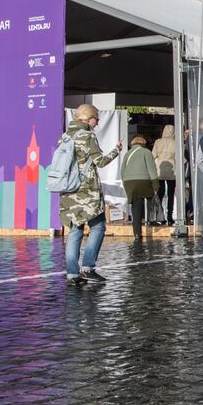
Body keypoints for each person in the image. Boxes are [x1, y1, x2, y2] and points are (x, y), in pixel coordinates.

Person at [61, 104, 123, 284]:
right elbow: (100, 162)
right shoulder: (88, 136)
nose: (98, 122)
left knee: (75, 229)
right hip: (87, 191)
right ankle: (88, 268)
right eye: (96, 117)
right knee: (98, 226)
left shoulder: (65, 137)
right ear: (88, 118)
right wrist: (116, 150)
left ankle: (72, 274)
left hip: (68, 190)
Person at [121, 135, 159, 240]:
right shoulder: (146, 152)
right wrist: (156, 183)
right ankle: (151, 222)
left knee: (135, 207)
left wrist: (126, 184)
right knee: (151, 199)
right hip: (143, 181)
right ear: (143, 144)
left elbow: (122, 171)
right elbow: (151, 169)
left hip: (129, 182)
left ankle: (137, 233)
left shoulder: (127, 154)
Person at [152, 125, 177, 226]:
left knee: (160, 194)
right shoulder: (175, 142)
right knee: (171, 194)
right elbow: (179, 156)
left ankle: (160, 216)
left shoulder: (158, 142)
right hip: (172, 169)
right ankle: (170, 217)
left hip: (160, 169)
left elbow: (153, 155)